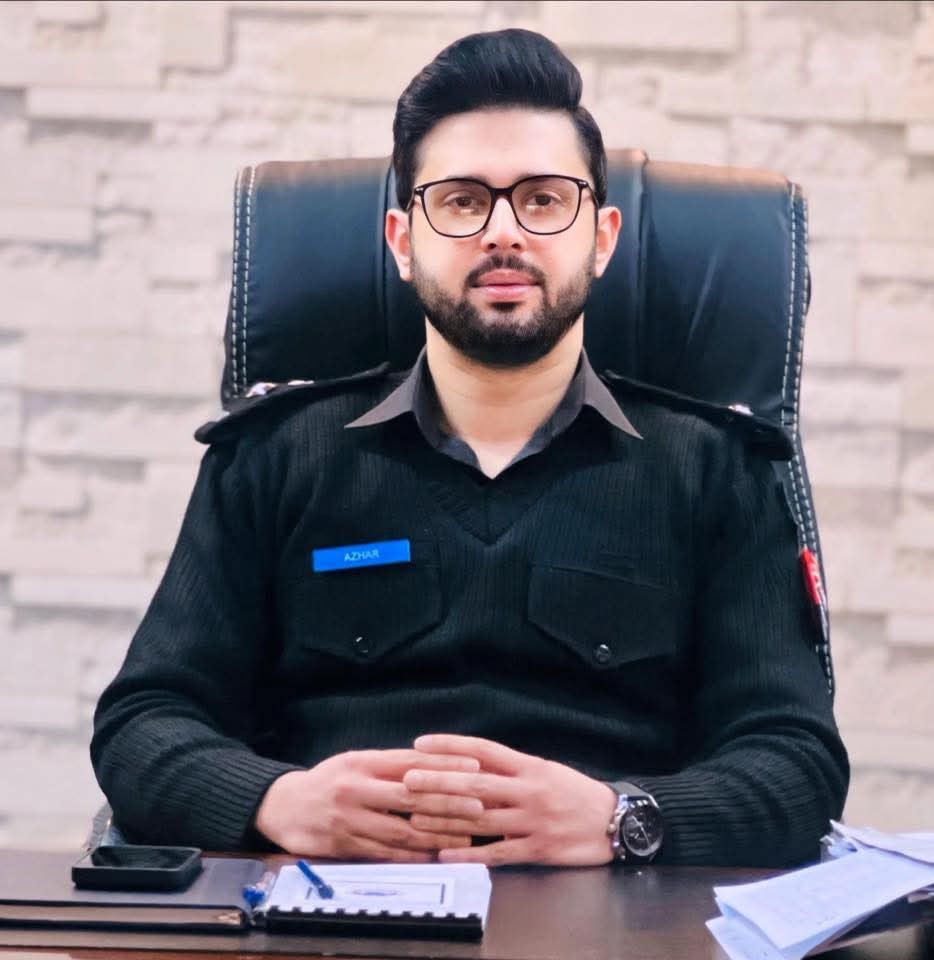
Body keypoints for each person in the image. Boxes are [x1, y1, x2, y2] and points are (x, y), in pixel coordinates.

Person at [91, 28, 848, 868]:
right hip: (328, 907)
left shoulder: (715, 471)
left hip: (609, 913)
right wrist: (276, 800)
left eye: (544, 200)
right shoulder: (274, 459)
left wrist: (622, 818)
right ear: (401, 240)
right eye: (460, 201)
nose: (503, 233)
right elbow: (144, 723)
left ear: (601, 238)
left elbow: (796, 762)